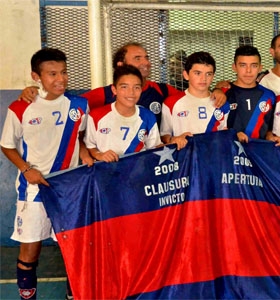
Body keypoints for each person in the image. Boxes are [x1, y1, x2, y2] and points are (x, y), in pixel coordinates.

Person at [0, 48, 92, 300]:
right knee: (30, 250)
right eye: (52, 74)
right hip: (34, 190)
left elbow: (82, 138)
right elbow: (7, 145)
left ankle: (74, 295)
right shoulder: (20, 108)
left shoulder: (79, 105)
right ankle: (27, 296)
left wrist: (83, 151)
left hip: (70, 191)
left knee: (73, 251)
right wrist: (26, 169)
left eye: (63, 72)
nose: (60, 79)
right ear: (36, 76)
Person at [19, 42, 227, 125]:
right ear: (121, 65)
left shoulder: (163, 91)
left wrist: (219, 88)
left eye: (146, 57)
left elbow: (196, 94)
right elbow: (64, 104)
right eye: (138, 59)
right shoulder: (104, 94)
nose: (146, 62)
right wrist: (36, 91)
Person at [85, 65, 162, 162]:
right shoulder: (96, 116)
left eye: (136, 87)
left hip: (137, 173)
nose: (131, 92)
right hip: (106, 174)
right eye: (124, 87)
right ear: (114, 89)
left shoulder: (148, 116)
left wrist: (175, 142)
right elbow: (89, 145)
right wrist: (99, 155)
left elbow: (155, 148)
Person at [160, 51, 229, 150]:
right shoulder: (171, 103)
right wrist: (173, 139)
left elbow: (226, 135)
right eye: (197, 73)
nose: (203, 78)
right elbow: (163, 135)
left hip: (213, 160)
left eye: (208, 74)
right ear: (186, 75)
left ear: (213, 76)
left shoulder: (222, 103)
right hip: (184, 161)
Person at [224, 45, 280, 146]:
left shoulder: (269, 96)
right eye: (243, 65)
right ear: (234, 67)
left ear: (260, 68)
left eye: (254, 65)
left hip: (259, 154)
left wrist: (270, 136)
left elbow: (270, 127)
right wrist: (233, 134)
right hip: (230, 152)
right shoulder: (224, 93)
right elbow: (215, 128)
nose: (248, 71)